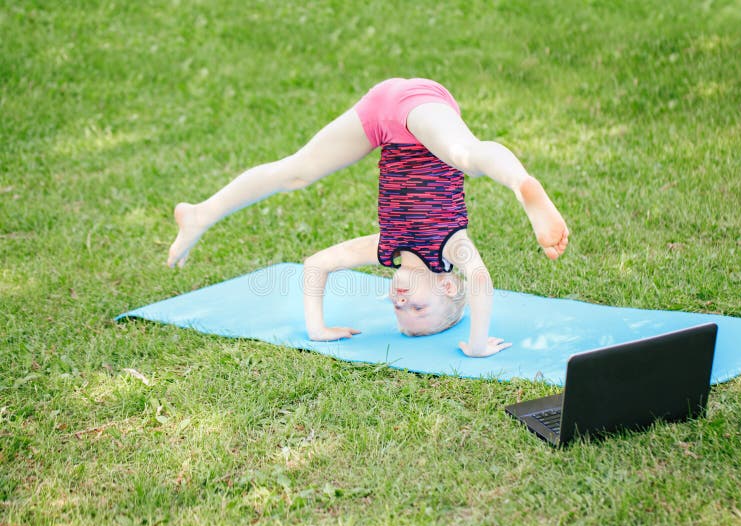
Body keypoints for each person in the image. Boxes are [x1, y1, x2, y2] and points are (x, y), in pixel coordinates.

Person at [167, 78, 569, 357]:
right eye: (418, 310)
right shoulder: (451, 247)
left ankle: (201, 214)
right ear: (447, 286)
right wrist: (478, 344)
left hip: (381, 116)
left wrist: (317, 329)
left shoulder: (385, 247)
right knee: (466, 155)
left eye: (398, 312)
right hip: (423, 107)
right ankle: (522, 185)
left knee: (297, 172)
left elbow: (316, 265)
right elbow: (481, 281)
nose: (402, 304)